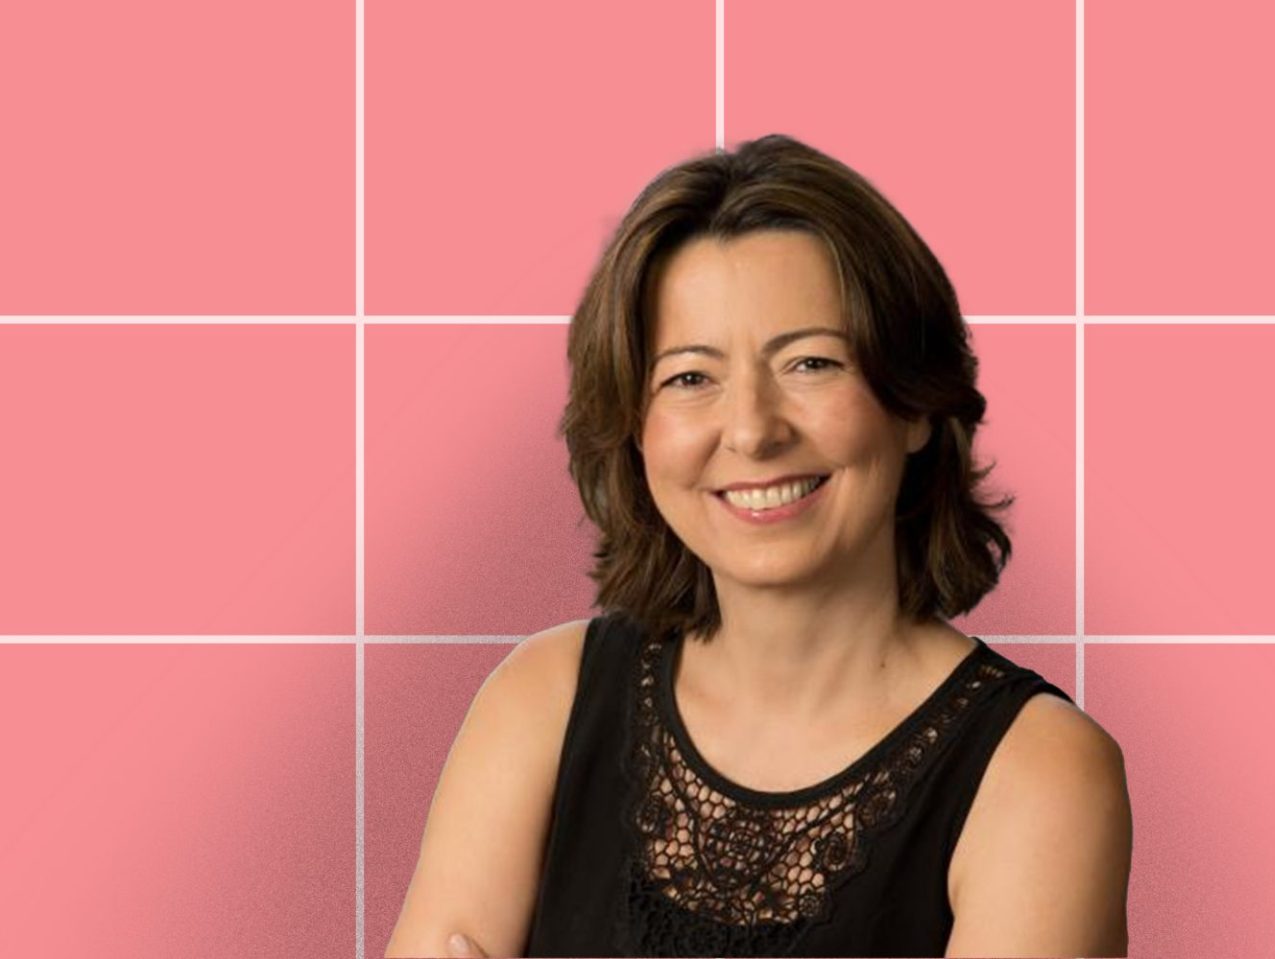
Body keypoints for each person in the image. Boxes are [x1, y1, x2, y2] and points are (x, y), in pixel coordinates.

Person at [385, 134, 1132, 958]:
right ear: (635, 429)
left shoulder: (1041, 773)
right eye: (689, 377)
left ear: (915, 403)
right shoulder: (541, 702)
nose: (752, 430)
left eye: (811, 362)